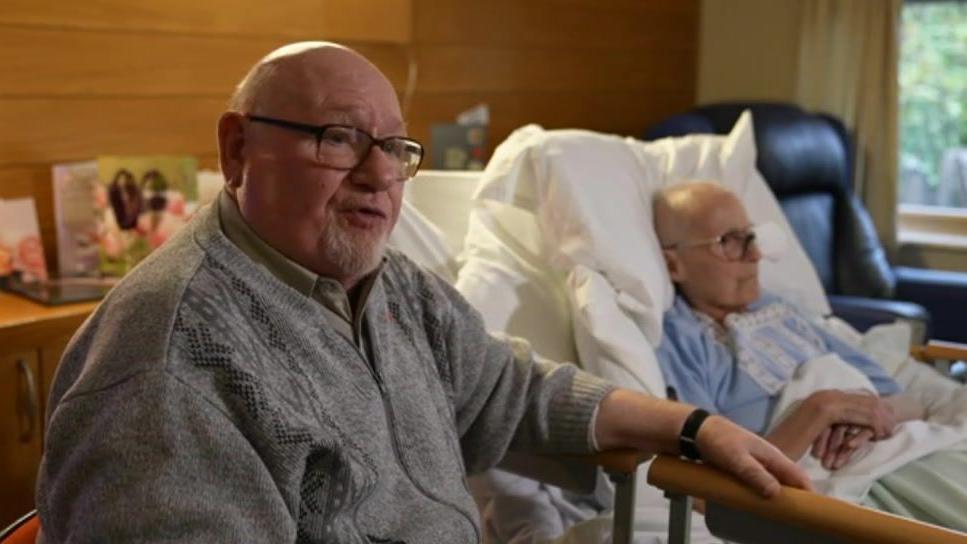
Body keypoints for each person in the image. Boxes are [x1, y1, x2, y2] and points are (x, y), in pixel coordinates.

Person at [36, 43, 808, 543]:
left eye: (393, 148)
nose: (377, 174)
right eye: (337, 138)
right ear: (239, 148)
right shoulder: (169, 365)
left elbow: (513, 389)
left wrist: (694, 427)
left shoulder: (388, 285)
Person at [653, 180, 967, 529]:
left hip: (908, 450)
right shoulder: (682, 342)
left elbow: (908, 402)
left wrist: (872, 415)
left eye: (751, 237)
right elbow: (702, 488)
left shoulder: (784, 312)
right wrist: (820, 410)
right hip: (855, 487)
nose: (754, 254)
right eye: (728, 242)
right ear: (673, 264)